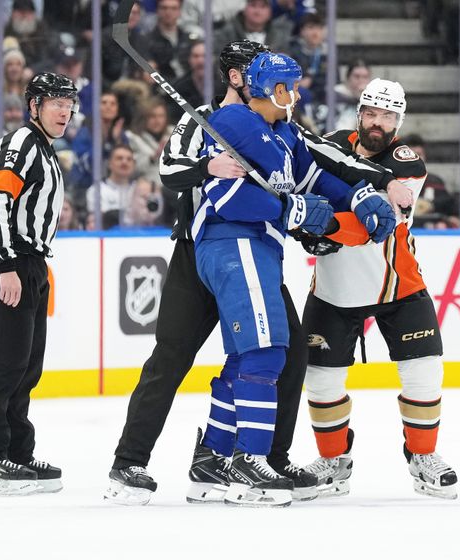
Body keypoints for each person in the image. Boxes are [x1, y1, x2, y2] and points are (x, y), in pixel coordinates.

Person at [104, 41, 408, 507]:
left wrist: (369, 188)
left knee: (281, 353)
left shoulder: (279, 127)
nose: (284, 88)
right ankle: (130, 463)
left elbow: (321, 163)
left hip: (257, 244)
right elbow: (171, 170)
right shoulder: (209, 120)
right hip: (205, 250)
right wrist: (212, 166)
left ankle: (255, 456)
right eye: (260, 71)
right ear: (239, 78)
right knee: (172, 362)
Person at [189, 51, 395, 508]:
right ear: (274, 90)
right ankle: (251, 462)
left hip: (256, 245)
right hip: (231, 241)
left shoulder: (281, 133)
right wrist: (292, 210)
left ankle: (212, 461)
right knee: (266, 350)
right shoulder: (236, 122)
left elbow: (317, 175)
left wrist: (360, 194)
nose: (297, 95)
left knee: (247, 356)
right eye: (292, 87)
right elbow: (227, 196)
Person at [298, 78, 458, 500]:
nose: (378, 122)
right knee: (321, 379)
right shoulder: (330, 144)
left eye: (388, 116)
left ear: (398, 121)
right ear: (359, 114)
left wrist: (326, 227)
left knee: (424, 373)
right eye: (372, 112)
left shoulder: (407, 164)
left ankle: (424, 455)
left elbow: (377, 223)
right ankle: (334, 462)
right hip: (334, 288)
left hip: (399, 287)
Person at [0, 72, 78, 496]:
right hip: (6, 260)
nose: (65, 111)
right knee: (0, 365)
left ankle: (15, 451)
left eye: (69, 103)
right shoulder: (21, 144)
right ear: (34, 106)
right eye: (55, 102)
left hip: (30, 263)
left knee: (26, 367)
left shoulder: (45, 149)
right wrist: (5, 263)